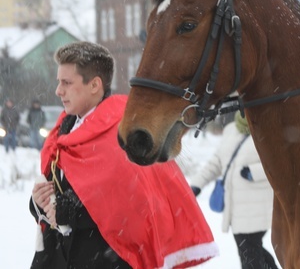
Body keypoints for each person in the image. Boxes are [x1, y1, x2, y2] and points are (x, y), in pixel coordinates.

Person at [29, 41, 218, 268]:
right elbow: (61, 193)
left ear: (94, 85)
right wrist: (40, 203)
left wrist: (71, 211)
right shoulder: (63, 130)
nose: (58, 90)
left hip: (107, 260)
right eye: (59, 82)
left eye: (67, 83)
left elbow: (134, 210)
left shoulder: (125, 133)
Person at [190, 112, 277, 269]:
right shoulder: (231, 129)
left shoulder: (267, 131)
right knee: (252, 250)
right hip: (235, 207)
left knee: (249, 252)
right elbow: (216, 162)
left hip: (258, 206)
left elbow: (277, 164)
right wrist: (196, 185)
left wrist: (254, 172)